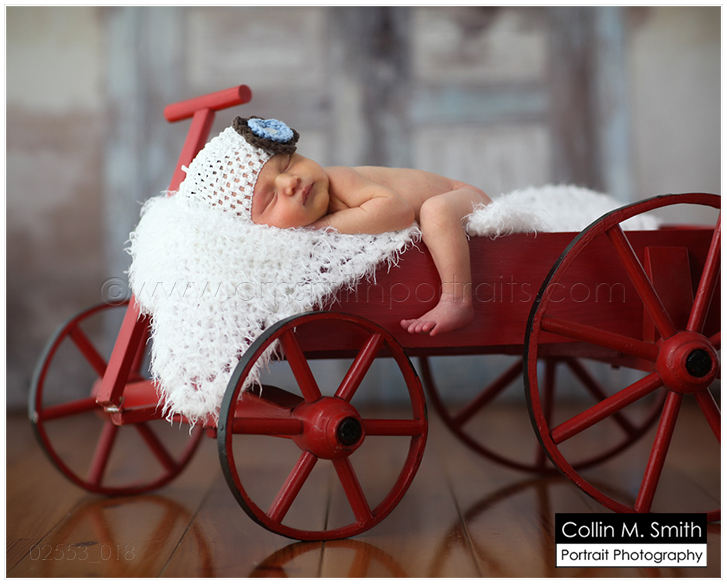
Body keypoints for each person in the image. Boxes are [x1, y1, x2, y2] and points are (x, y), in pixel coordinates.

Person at [179, 116, 491, 336]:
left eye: (287, 164)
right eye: (271, 197)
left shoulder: (339, 179)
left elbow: (398, 212)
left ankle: (457, 301)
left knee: (435, 210)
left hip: (462, 197)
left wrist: (328, 225)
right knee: (434, 212)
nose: (290, 182)